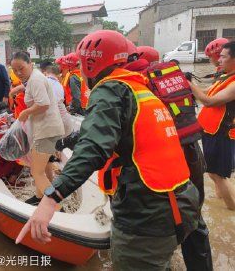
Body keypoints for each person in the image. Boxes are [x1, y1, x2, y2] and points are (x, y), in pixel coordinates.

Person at [16, 30, 199, 270]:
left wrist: (51, 199)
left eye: (82, 64)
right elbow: (123, 135)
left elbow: (93, 149)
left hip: (148, 214)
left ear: (92, 64)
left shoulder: (111, 89)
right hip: (182, 202)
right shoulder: (139, 88)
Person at [126, 45, 213, 271]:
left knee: (166, 219)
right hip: (194, 152)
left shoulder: (140, 83)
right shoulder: (177, 77)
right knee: (196, 217)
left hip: (169, 160)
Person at [11, 51, 65, 206]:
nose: (18, 73)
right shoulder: (33, 78)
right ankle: (39, 196)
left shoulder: (35, 80)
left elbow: (43, 104)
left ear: (30, 64)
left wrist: (26, 112)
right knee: (44, 166)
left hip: (46, 130)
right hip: (46, 128)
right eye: (15, 71)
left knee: (36, 172)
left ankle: (55, 206)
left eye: (21, 68)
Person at [190, 40, 235, 211]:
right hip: (212, 131)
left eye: (223, 57)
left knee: (218, 175)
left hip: (221, 134)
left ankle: (231, 209)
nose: (219, 60)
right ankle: (221, 200)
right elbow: (207, 93)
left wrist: (189, 85)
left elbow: (208, 101)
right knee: (215, 173)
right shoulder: (226, 76)